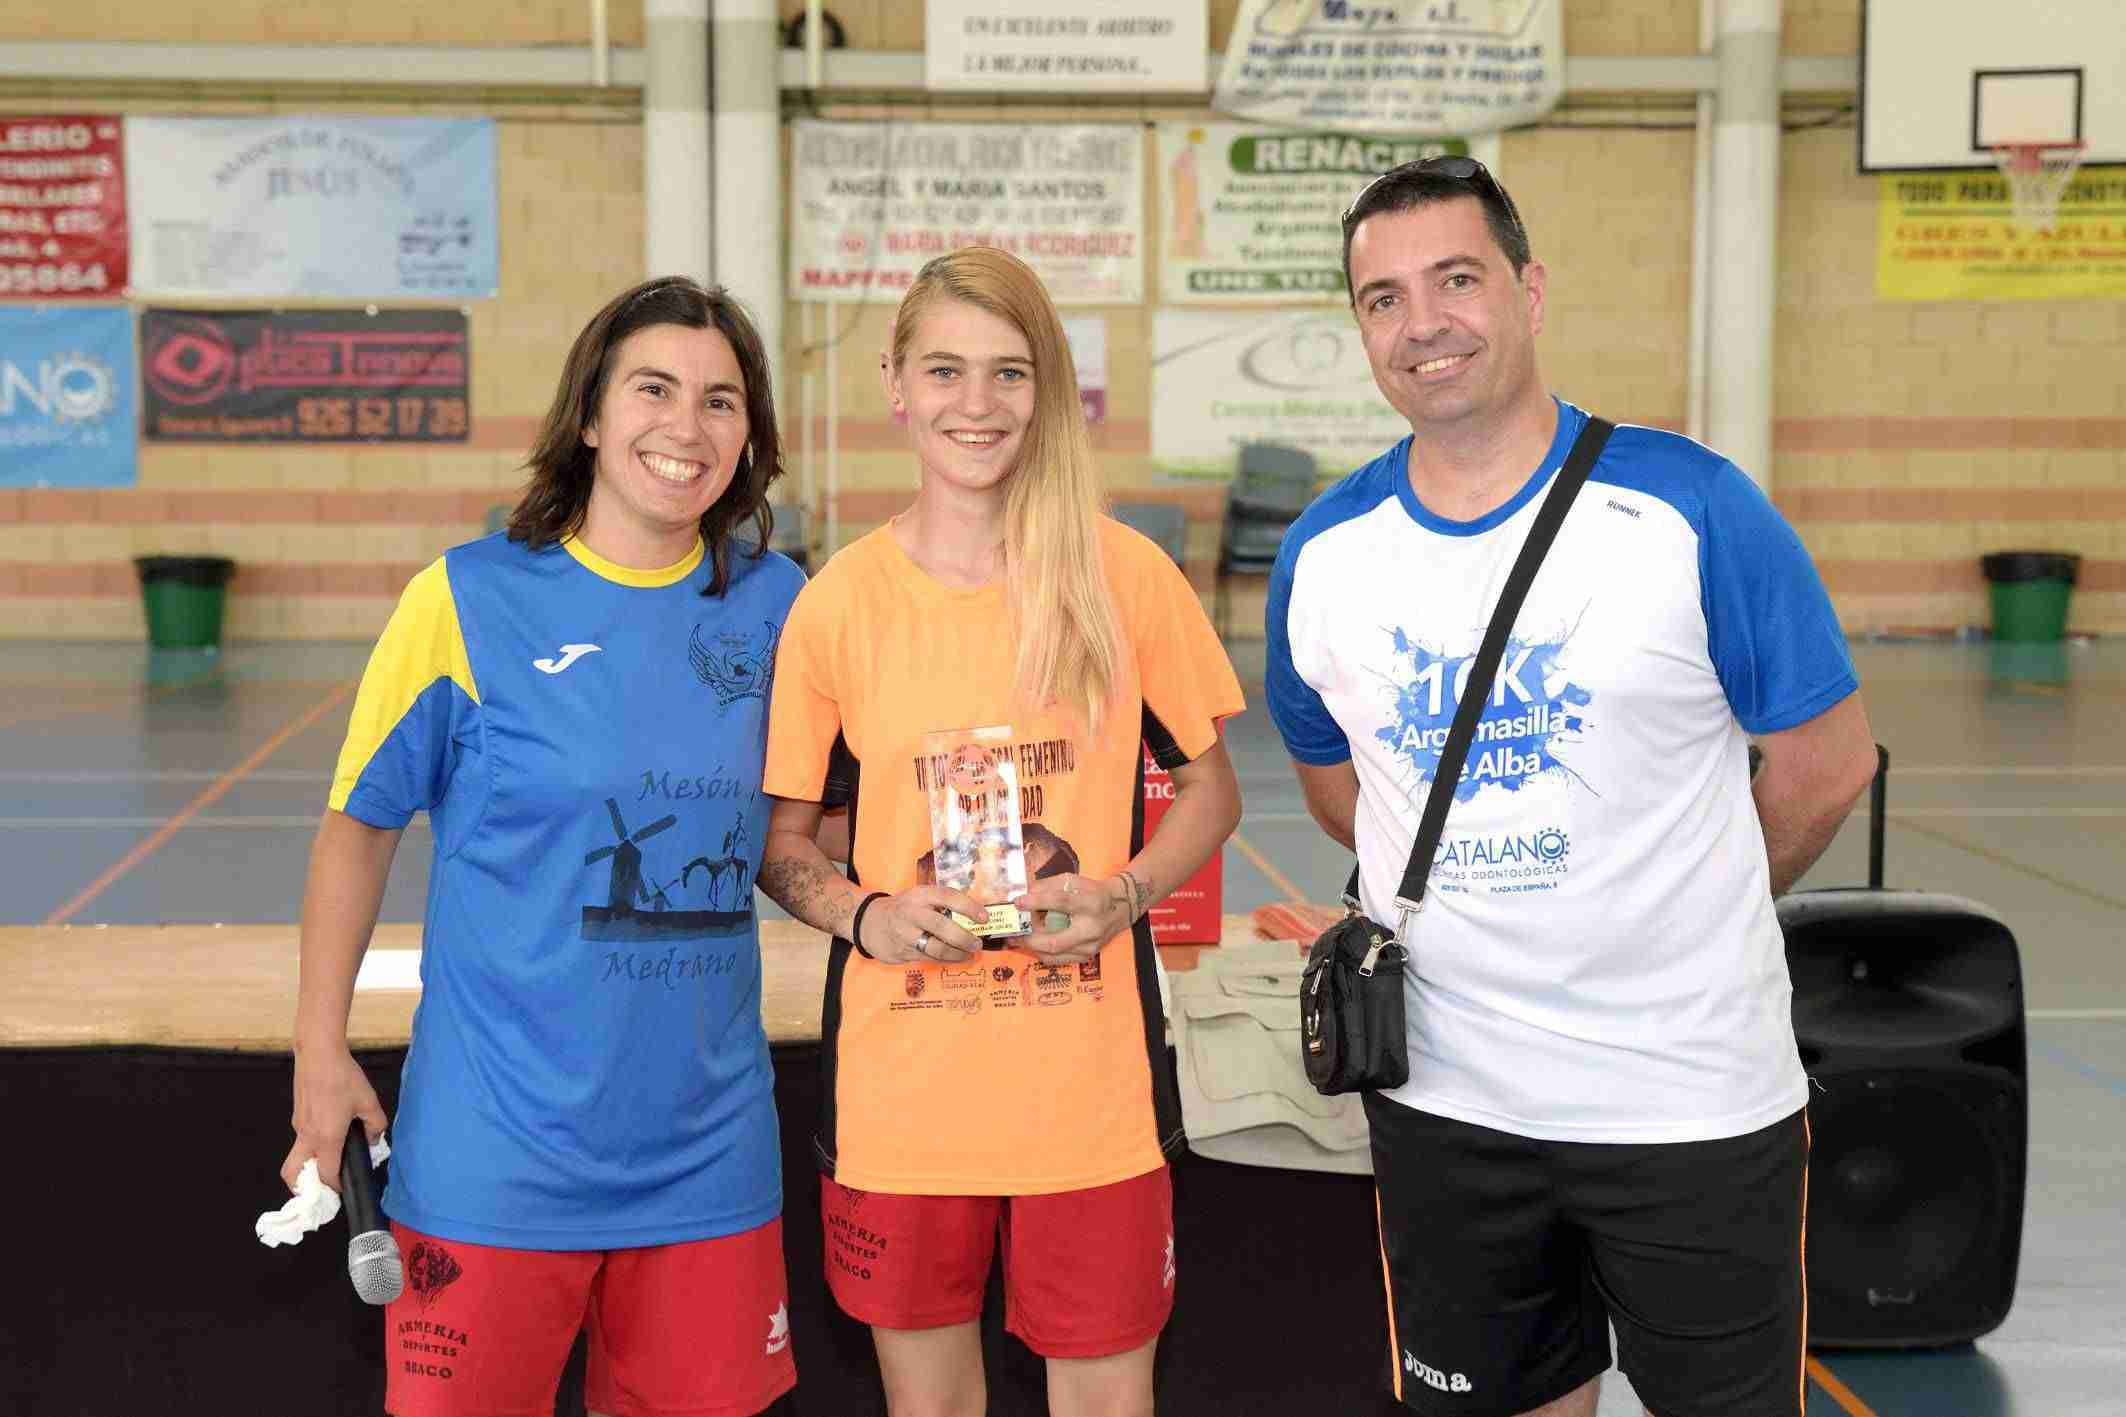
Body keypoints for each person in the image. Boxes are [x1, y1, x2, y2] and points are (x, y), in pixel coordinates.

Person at [1264, 158, 1879, 1417]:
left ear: (1529, 291)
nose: (1420, 322)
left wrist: (1684, 902)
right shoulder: (1325, 553)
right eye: (1381, 298)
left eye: (1454, 279)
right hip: (1446, 1105)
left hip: (1689, 1100)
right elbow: (1340, 784)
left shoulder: (1687, 507)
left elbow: (1828, 765)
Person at [282, 276, 807, 1417]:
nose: (686, 427)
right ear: (589, 414)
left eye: (722, 402)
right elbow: (356, 829)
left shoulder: (779, 607)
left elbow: (798, 834)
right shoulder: (465, 598)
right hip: (493, 1156)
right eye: (653, 389)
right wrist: (317, 1051)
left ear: (750, 436)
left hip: (707, 1158)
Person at [756, 246, 1244, 1417]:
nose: (975, 405)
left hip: (1089, 1102)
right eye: (944, 371)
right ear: (895, 384)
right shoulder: (835, 605)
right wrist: (869, 913)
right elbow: (784, 848)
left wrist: (1120, 894)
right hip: (901, 1106)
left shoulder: (1120, 576)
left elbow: (1212, 792)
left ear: (1049, 389)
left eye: (1008, 373)